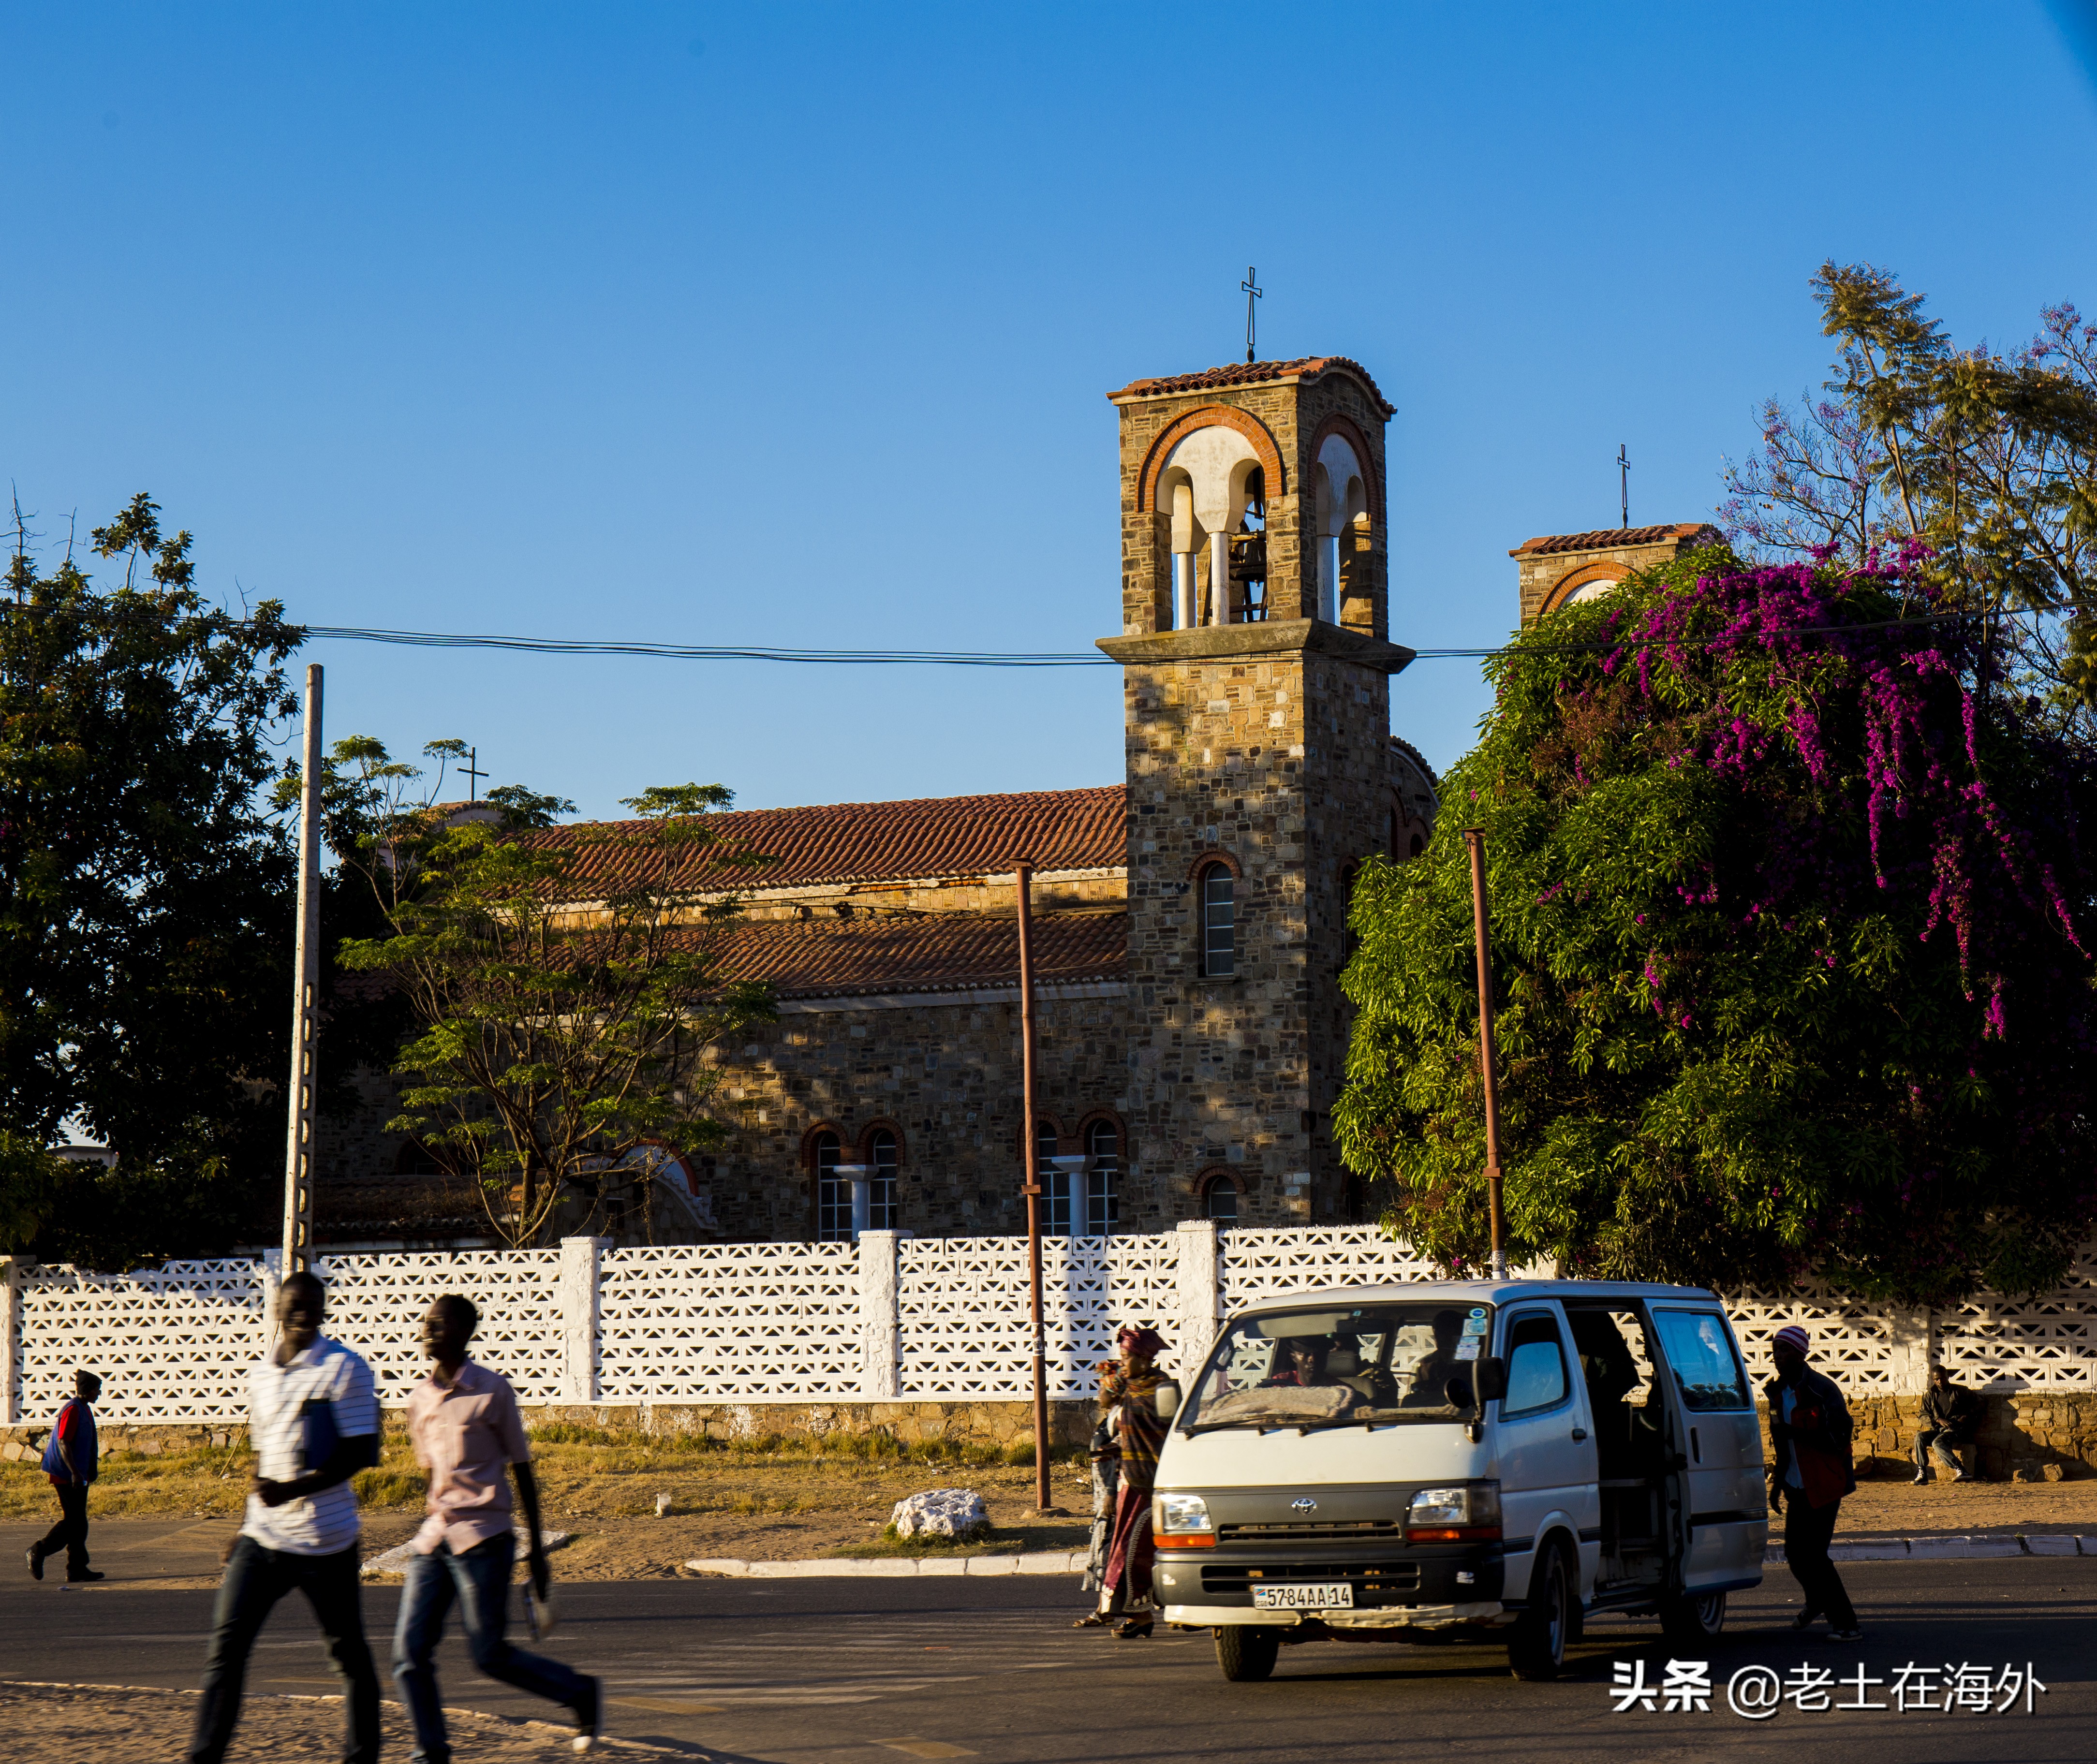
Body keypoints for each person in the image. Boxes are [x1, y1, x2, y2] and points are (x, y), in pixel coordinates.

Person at [394, 1294, 602, 1759]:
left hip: (486, 1540)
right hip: (435, 1540)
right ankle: (431, 1754)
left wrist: (539, 1557)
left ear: (466, 1334)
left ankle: (579, 1691)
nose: (428, 1331)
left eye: (440, 1325)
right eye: (426, 1323)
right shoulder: (420, 1399)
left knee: (489, 1655)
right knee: (408, 1656)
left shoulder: (493, 1391)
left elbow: (523, 1471)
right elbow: (430, 1473)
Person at [191, 1268, 384, 1764]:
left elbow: (361, 1453)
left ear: (323, 1313)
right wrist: (245, 1526)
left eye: (310, 1306)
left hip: (328, 1541)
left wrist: (291, 1490)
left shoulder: (346, 1368)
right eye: (291, 1305)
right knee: (226, 1649)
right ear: (276, 1308)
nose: (300, 1313)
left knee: (348, 1656)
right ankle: (204, 1755)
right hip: (264, 1537)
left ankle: (362, 1756)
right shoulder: (260, 1375)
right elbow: (266, 1461)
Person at [1765, 1323, 1862, 1643]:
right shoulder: (1778, 1394)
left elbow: (1840, 1436)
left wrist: (1800, 1433)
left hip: (1825, 1483)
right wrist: (1778, 1484)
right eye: (1775, 1350)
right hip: (1797, 1484)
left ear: (1800, 1353)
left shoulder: (1823, 1389)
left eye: (1784, 1350)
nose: (1778, 1356)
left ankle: (1847, 1624)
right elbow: (1782, 1446)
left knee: (1816, 1556)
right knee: (1795, 1553)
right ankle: (1817, 1600)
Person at [1084, 1325, 1171, 1641]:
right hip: (1129, 1479)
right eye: (1120, 1358)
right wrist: (1114, 1376)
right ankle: (1139, 1616)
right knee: (1127, 1547)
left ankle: (1147, 1613)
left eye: (1126, 1358)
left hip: (1154, 1479)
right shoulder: (1130, 1387)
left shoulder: (1163, 1389)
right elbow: (1106, 1400)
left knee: (1138, 1549)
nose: (1121, 1363)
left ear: (1145, 1358)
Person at [28, 1370, 103, 1583]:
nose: (99, 1394)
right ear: (88, 1390)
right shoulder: (73, 1410)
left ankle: (77, 1569)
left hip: (78, 1474)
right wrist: (75, 1473)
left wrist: (88, 1472)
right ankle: (39, 1550)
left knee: (80, 1523)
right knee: (73, 1522)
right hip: (66, 1475)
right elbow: (63, 1442)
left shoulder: (84, 1409)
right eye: (97, 1390)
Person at [1072, 1367, 1122, 1628]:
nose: (1098, 1394)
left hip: (1113, 1497)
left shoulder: (1120, 1420)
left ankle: (1105, 1610)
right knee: (1111, 1554)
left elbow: (1121, 1459)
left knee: (1108, 1554)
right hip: (1105, 1496)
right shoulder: (1112, 1418)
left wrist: (1112, 1495)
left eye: (1102, 1389)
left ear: (1114, 1393)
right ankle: (1108, 1609)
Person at [1913, 1364, 1982, 1484]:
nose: (1940, 1381)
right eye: (1936, 1379)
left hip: (1956, 1429)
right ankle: (1923, 1473)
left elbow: (1980, 1402)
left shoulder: (1959, 1391)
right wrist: (1937, 1420)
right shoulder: (1930, 1395)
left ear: (1947, 1377)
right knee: (1920, 1437)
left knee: (1937, 1443)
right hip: (1939, 1429)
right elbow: (1923, 1415)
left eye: (1942, 1378)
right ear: (1933, 1380)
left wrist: (1966, 1416)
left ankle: (1961, 1470)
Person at [1402, 1310, 1475, 1409]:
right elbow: (1418, 1397)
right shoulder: (1426, 1365)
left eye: (1451, 1333)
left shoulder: (1475, 1364)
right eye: (1441, 1333)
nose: (1445, 1338)